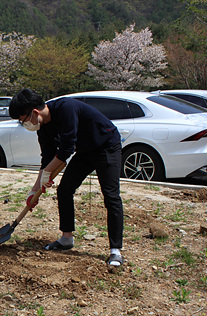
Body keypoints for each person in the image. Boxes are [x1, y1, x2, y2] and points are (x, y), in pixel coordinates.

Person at [9, 88, 124, 268]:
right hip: (85, 151)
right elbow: (47, 158)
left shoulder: (66, 108)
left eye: (23, 120)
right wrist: (34, 190)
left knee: (111, 196)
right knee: (64, 190)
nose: (24, 124)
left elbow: (66, 149)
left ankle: (115, 250)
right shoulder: (43, 127)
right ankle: (66, 238)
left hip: (106, 145)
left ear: (34, 112)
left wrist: (48, 172)